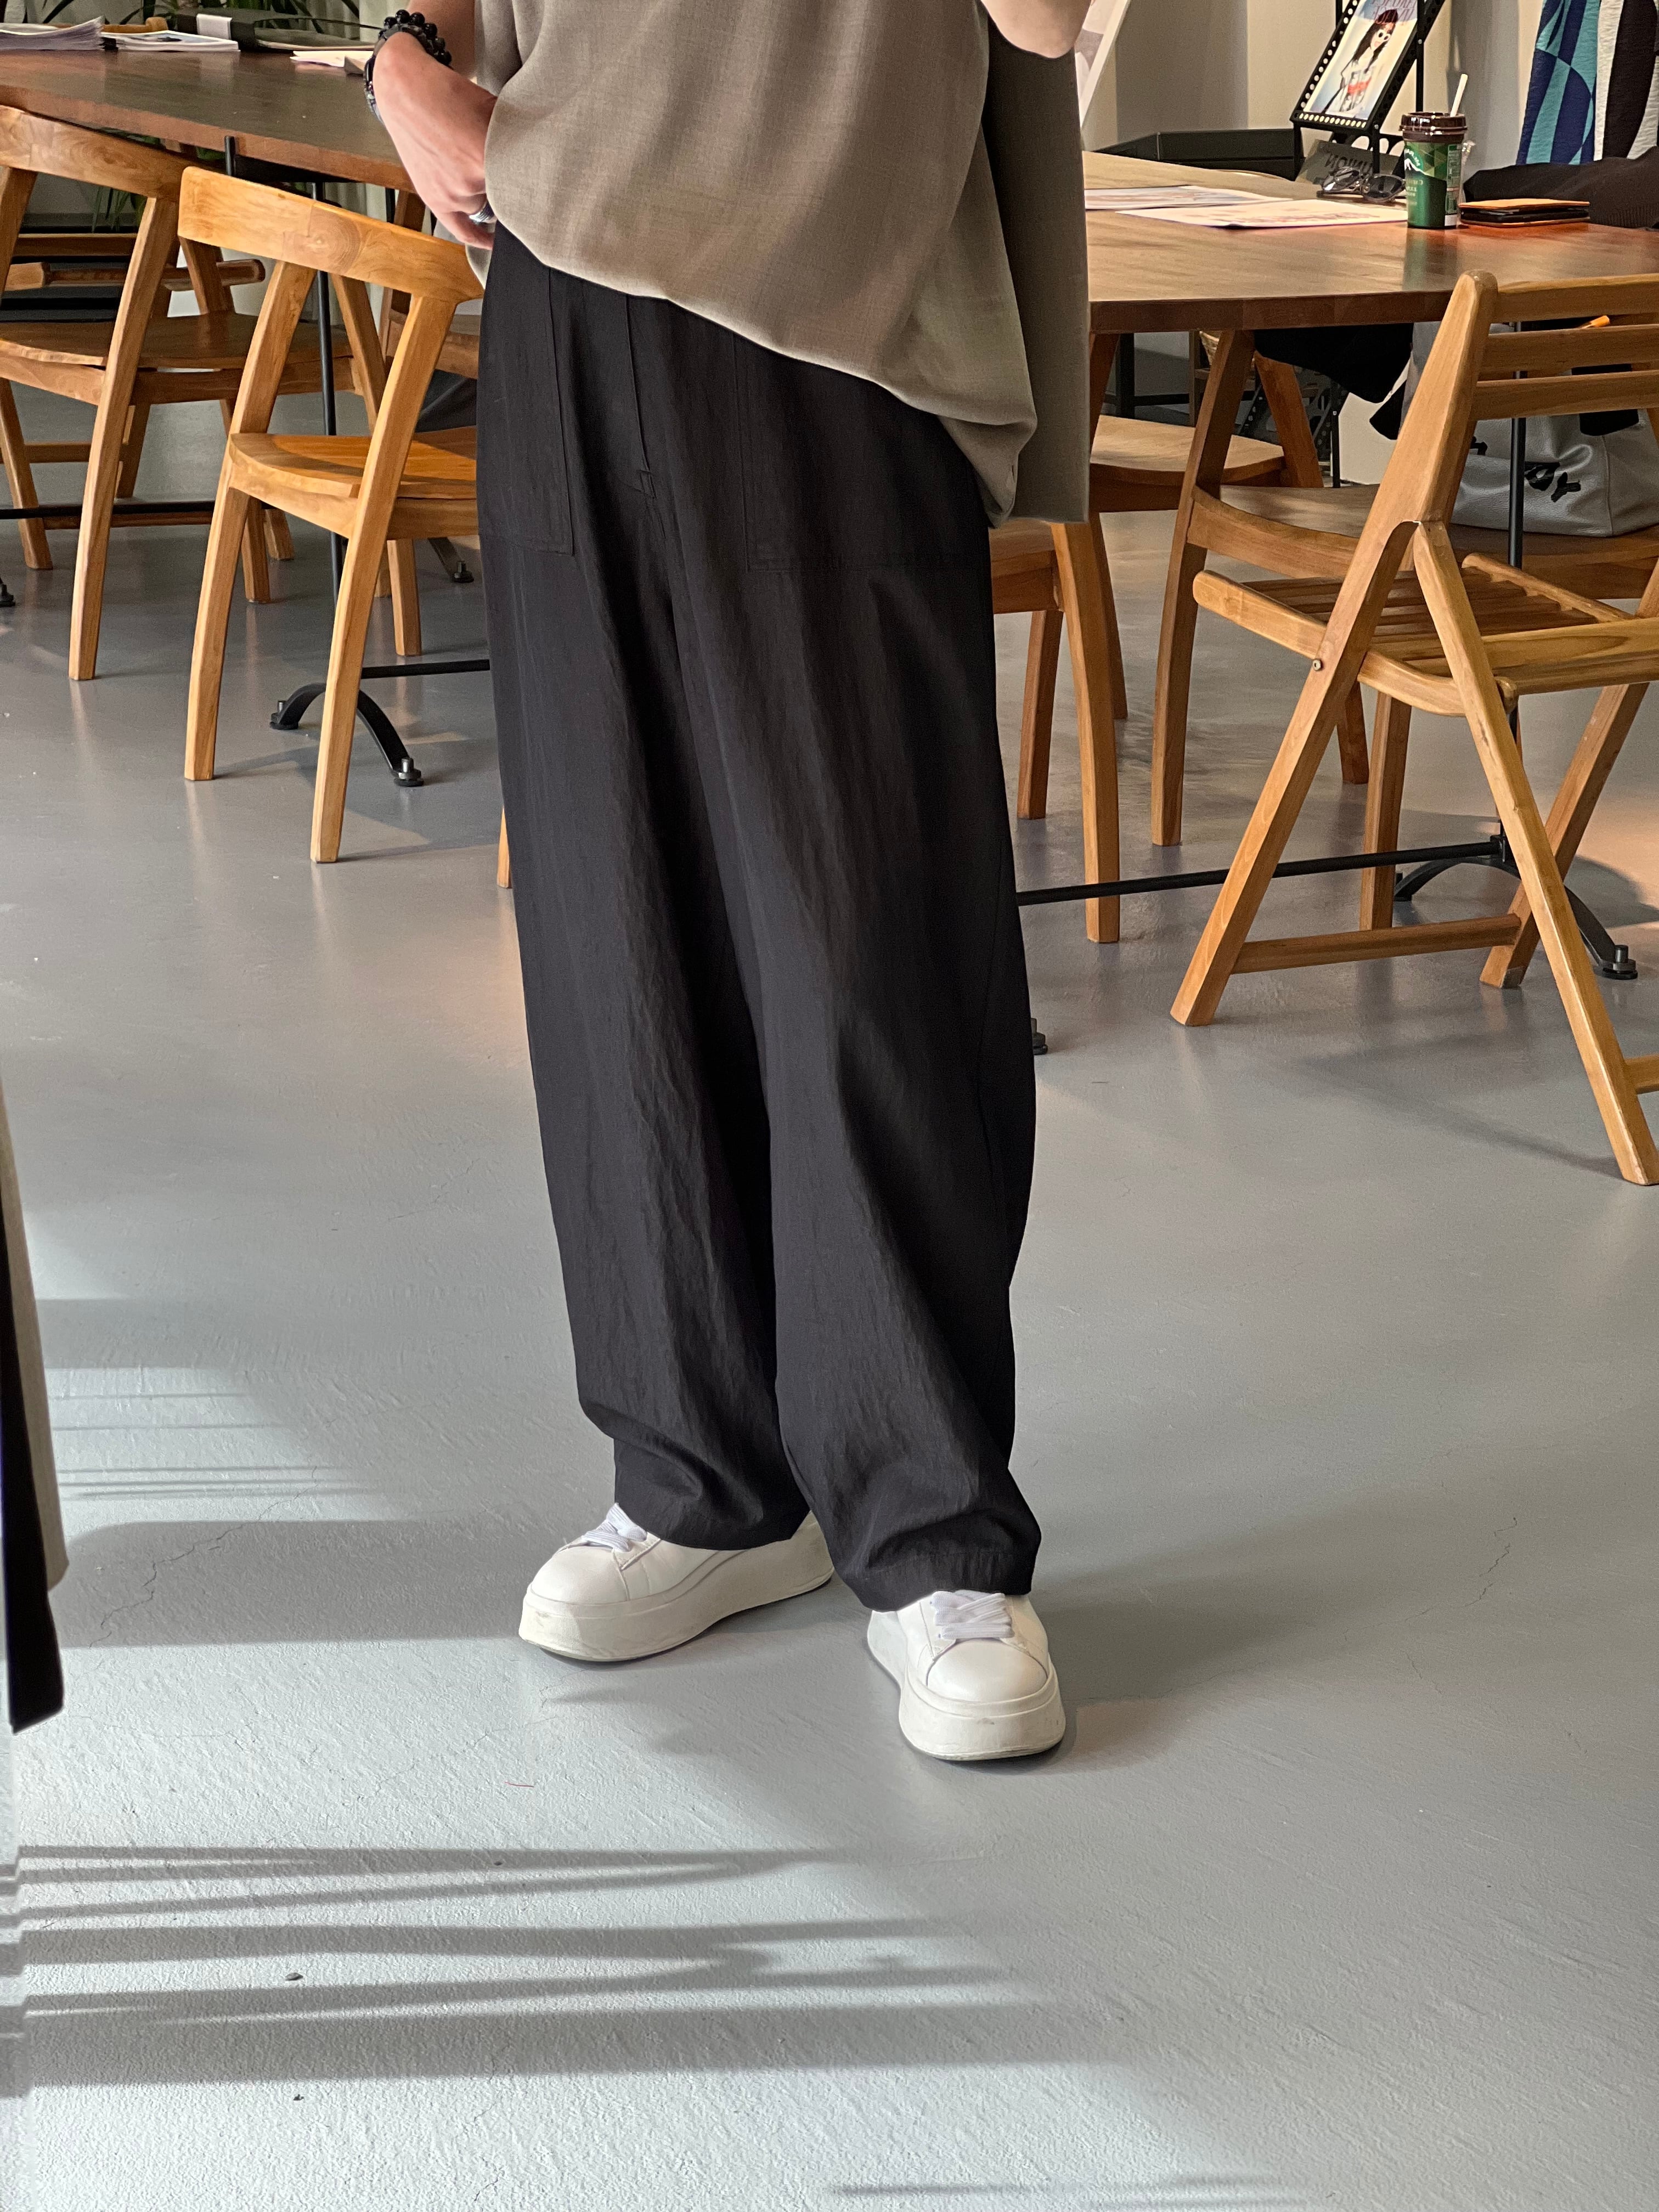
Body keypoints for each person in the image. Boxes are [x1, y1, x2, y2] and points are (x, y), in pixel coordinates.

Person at [367, 0, 1091, 1762]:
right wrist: (400, 62)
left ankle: (931, 1526)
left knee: (869, 940)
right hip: (561, 281)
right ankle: (702, 1478)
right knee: (613, 927)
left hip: (834, 309)